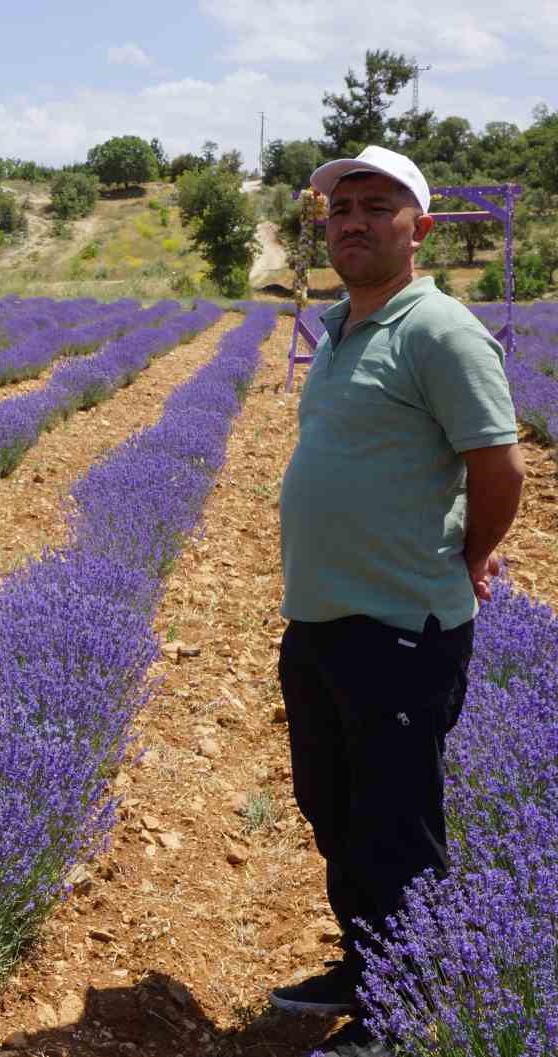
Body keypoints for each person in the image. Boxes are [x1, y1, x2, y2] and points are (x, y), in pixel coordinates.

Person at [274, 146, 524, 1057]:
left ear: (417, 228)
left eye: (377, 206)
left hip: (403, 626)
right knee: (331, 803)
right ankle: (365, 958)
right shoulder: (338, 326)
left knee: (396, 822)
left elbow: (500, 468)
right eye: (340, 207)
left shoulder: (441, 330)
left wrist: (470, 558)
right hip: (321, 618)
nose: (351, 220)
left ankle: (400, 1008)